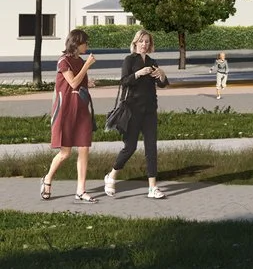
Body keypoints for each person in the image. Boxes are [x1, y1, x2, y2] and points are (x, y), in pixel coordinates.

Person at [105, 29, 171, 200]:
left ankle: (152, 188)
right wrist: (138, 74)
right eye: (141, 41)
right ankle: (111, 176)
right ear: (135, 43)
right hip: (132, 111)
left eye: (147, 42)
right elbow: (124, 81)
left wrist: (162, 75)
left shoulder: (152, 61)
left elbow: (162, 84)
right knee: (130, 147)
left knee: (151, 148)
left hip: (149, 110)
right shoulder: (129, 60)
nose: (144, 44)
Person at [41, 28, 98, 201]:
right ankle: (47, 179)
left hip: (81, 110)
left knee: (84, 149)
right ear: (77, 43)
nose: (87, 46)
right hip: (66, 110)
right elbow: (73, 82)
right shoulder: (63, 62)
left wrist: (90, 82)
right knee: (65, 153)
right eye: (85, 43)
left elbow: (80, 82)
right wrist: (87, 65)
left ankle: (81, 190)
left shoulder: (80, 61)